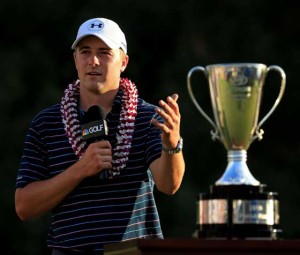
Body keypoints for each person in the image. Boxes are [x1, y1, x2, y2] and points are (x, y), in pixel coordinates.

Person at [15, 17, 185, 255]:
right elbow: (24, 206)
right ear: (75, 59)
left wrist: (171, 145)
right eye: (85, 51)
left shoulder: (148, 117)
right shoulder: (46, 123)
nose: (93, 61)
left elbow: (169, 185)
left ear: (123, 61)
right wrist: (81, 169)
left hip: (132, 251)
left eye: (104, 52)